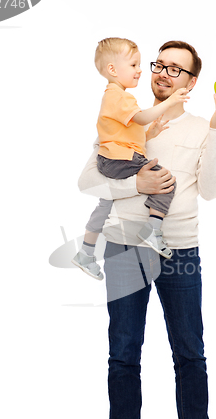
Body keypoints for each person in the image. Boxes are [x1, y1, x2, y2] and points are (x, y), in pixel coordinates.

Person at [77, 40, 216, 419]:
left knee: (190, 352)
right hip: (125, 247)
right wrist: (139, 185)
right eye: (159, 64)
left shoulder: (200, 129)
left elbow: (210, 190)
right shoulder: (125, 120)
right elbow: (87, 181)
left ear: (190, 83)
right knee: (124, 352)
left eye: (177, 69)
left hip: (180, 250)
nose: (164, 73)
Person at [72, 38, 190, 280]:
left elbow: (127, 135)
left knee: (105, 205)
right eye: (134, 65)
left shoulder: (114, 96)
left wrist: (150, 135)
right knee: (165, 181)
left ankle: (85, 252)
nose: (139, 70)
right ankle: (153, 229)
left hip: (111, 159)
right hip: (120, 159)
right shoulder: (120, 97)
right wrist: (171, 101)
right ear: (113, 70)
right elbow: (142, 117)